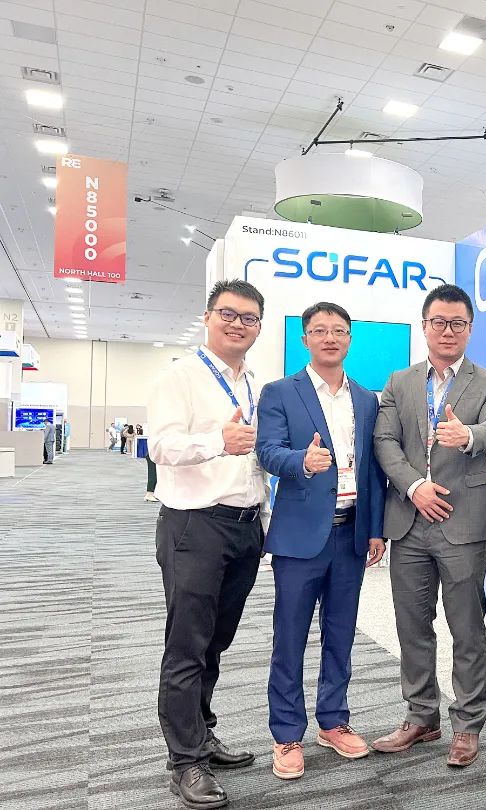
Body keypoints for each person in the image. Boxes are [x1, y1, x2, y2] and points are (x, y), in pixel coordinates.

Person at [372, 283, 486, 768]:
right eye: (439, 322)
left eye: (457, 323)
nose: (448, 331)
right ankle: (421, 716)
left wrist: (466, 433)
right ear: (425, 326)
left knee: (467, 627)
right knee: (412, 625)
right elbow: (385, 441)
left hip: (462, 521)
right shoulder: (399, 381)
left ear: (469, 328)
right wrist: (414, 486)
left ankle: (468, 724)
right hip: (410, 520)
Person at [147, 279, 268, 810]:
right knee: (187, 645)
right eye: (228, 314)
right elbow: (159, 445)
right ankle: (184, 762)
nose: (238, 324)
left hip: (244, 527)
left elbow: (255, 460)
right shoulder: (181, 376)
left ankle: (201, 733)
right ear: (208, 317)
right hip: (194, 525)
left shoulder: (254, 383)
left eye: (249, 317)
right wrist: (217, 441)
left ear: (259, 327)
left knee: (216, 641)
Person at [256, 302, 387, 781]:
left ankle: (333, 721)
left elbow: (373, 469)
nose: (330, 338)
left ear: (349, 339)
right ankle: (287, 734)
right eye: (319, 330)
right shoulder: (279, 392)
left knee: (341, 634)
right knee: (289, 638)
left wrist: (375, 528)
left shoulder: (367, 399)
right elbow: (267, 451)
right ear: (305, 339)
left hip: (351, 533)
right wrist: (300, 462)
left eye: (339, 330)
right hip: (299, 538)